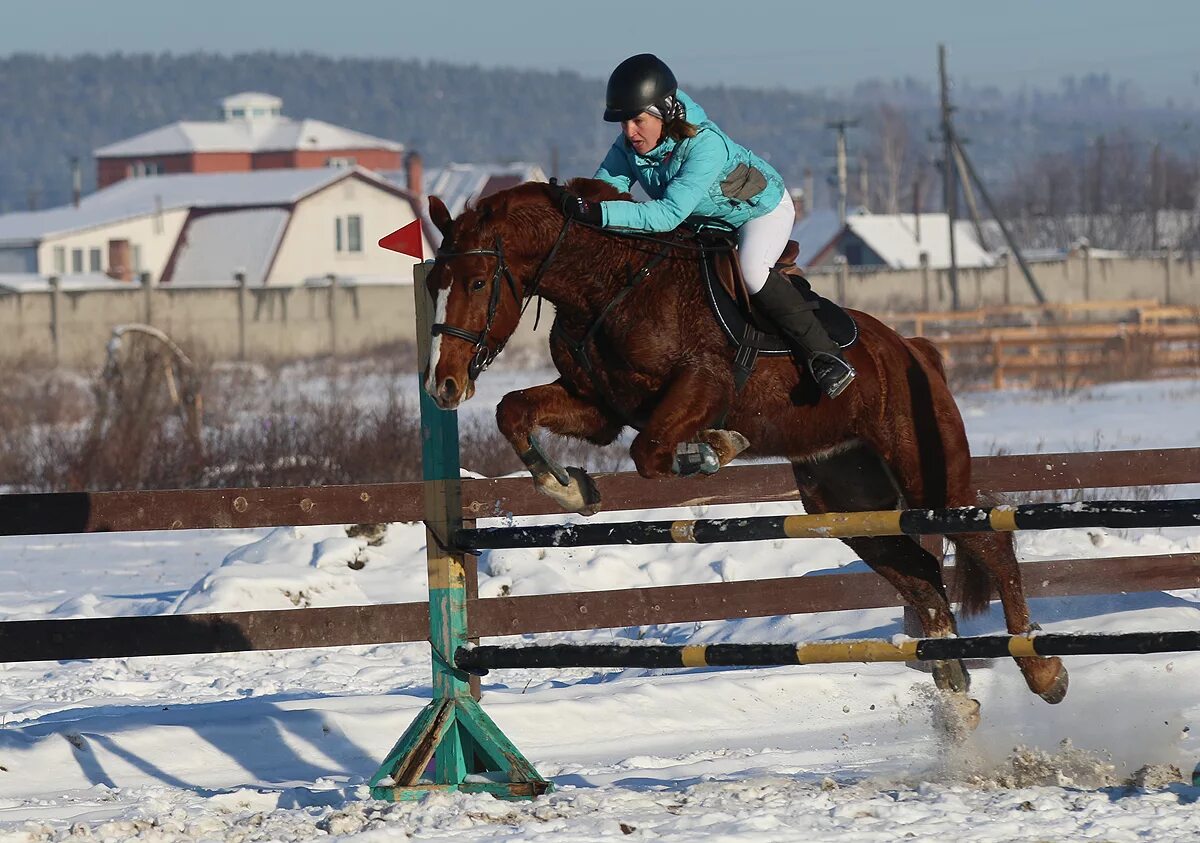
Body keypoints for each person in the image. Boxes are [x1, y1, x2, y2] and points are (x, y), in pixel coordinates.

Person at [552, 53, 855, 399]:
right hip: (705, 222)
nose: (629, 133)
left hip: (759, 212)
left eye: (636, 121)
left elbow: (664, 216)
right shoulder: (630, 145)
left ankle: (827, 357)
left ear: (664, 111)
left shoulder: (704, 145)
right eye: (623, 124)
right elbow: (604, 190)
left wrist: (596, 214)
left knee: (752, 271)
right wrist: (566, 202)